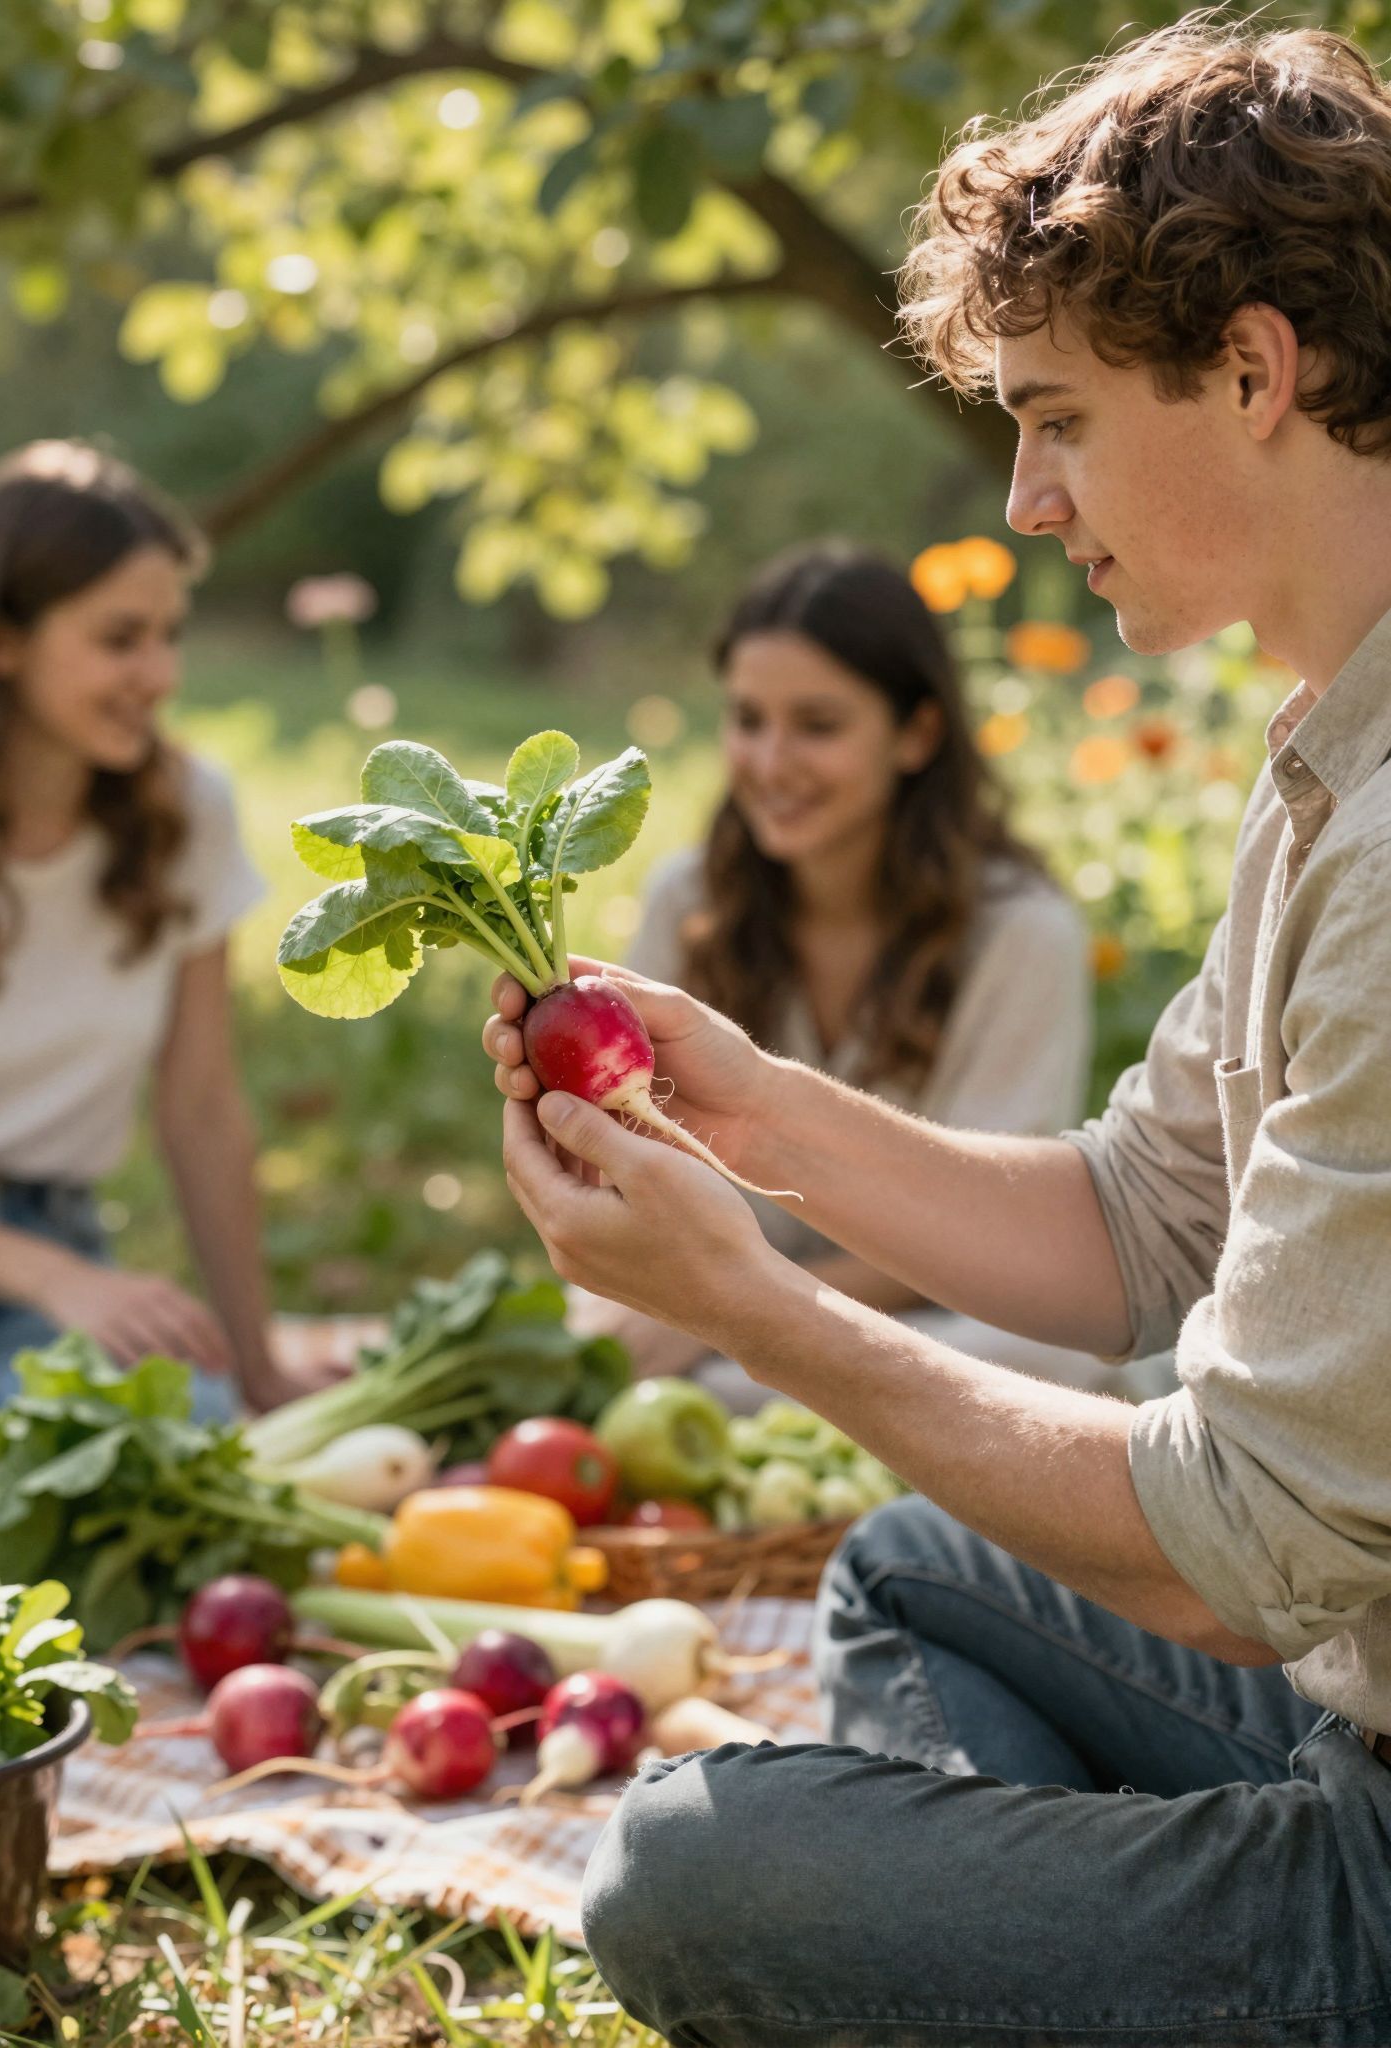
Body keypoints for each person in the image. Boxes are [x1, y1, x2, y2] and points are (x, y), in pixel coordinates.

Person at [486, 17, 1391, 2044]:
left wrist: (764, 1312)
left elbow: (1231, 1552)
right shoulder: (1328, 749)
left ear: (1254, 371)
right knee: (915, 1561)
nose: (1026, 492)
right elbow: (1135, 1218)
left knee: (687, 1870)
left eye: (1056, 417)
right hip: (1342, 1694)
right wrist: (755, 1105)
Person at [0, 440, 301, 1507]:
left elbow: (202, 1113)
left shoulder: (186, 816)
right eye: (119, 638)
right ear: (1, 640)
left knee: (165, 1453)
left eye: (168, 635)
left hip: (53, 1248)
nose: (161, 674)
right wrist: (58, 1280)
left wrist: (259, 1363)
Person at [598, 538, 1144, 1406]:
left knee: (1059, 1371)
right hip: (701, 1321)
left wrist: (741, 1313)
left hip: (911, 1327)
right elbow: (629, 1172)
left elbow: (986, 1234)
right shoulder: (688, 899)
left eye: (817, 726)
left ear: (917, 732)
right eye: (748, 720)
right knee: (587, 1339)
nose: (771, 764)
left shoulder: (1020, 932)